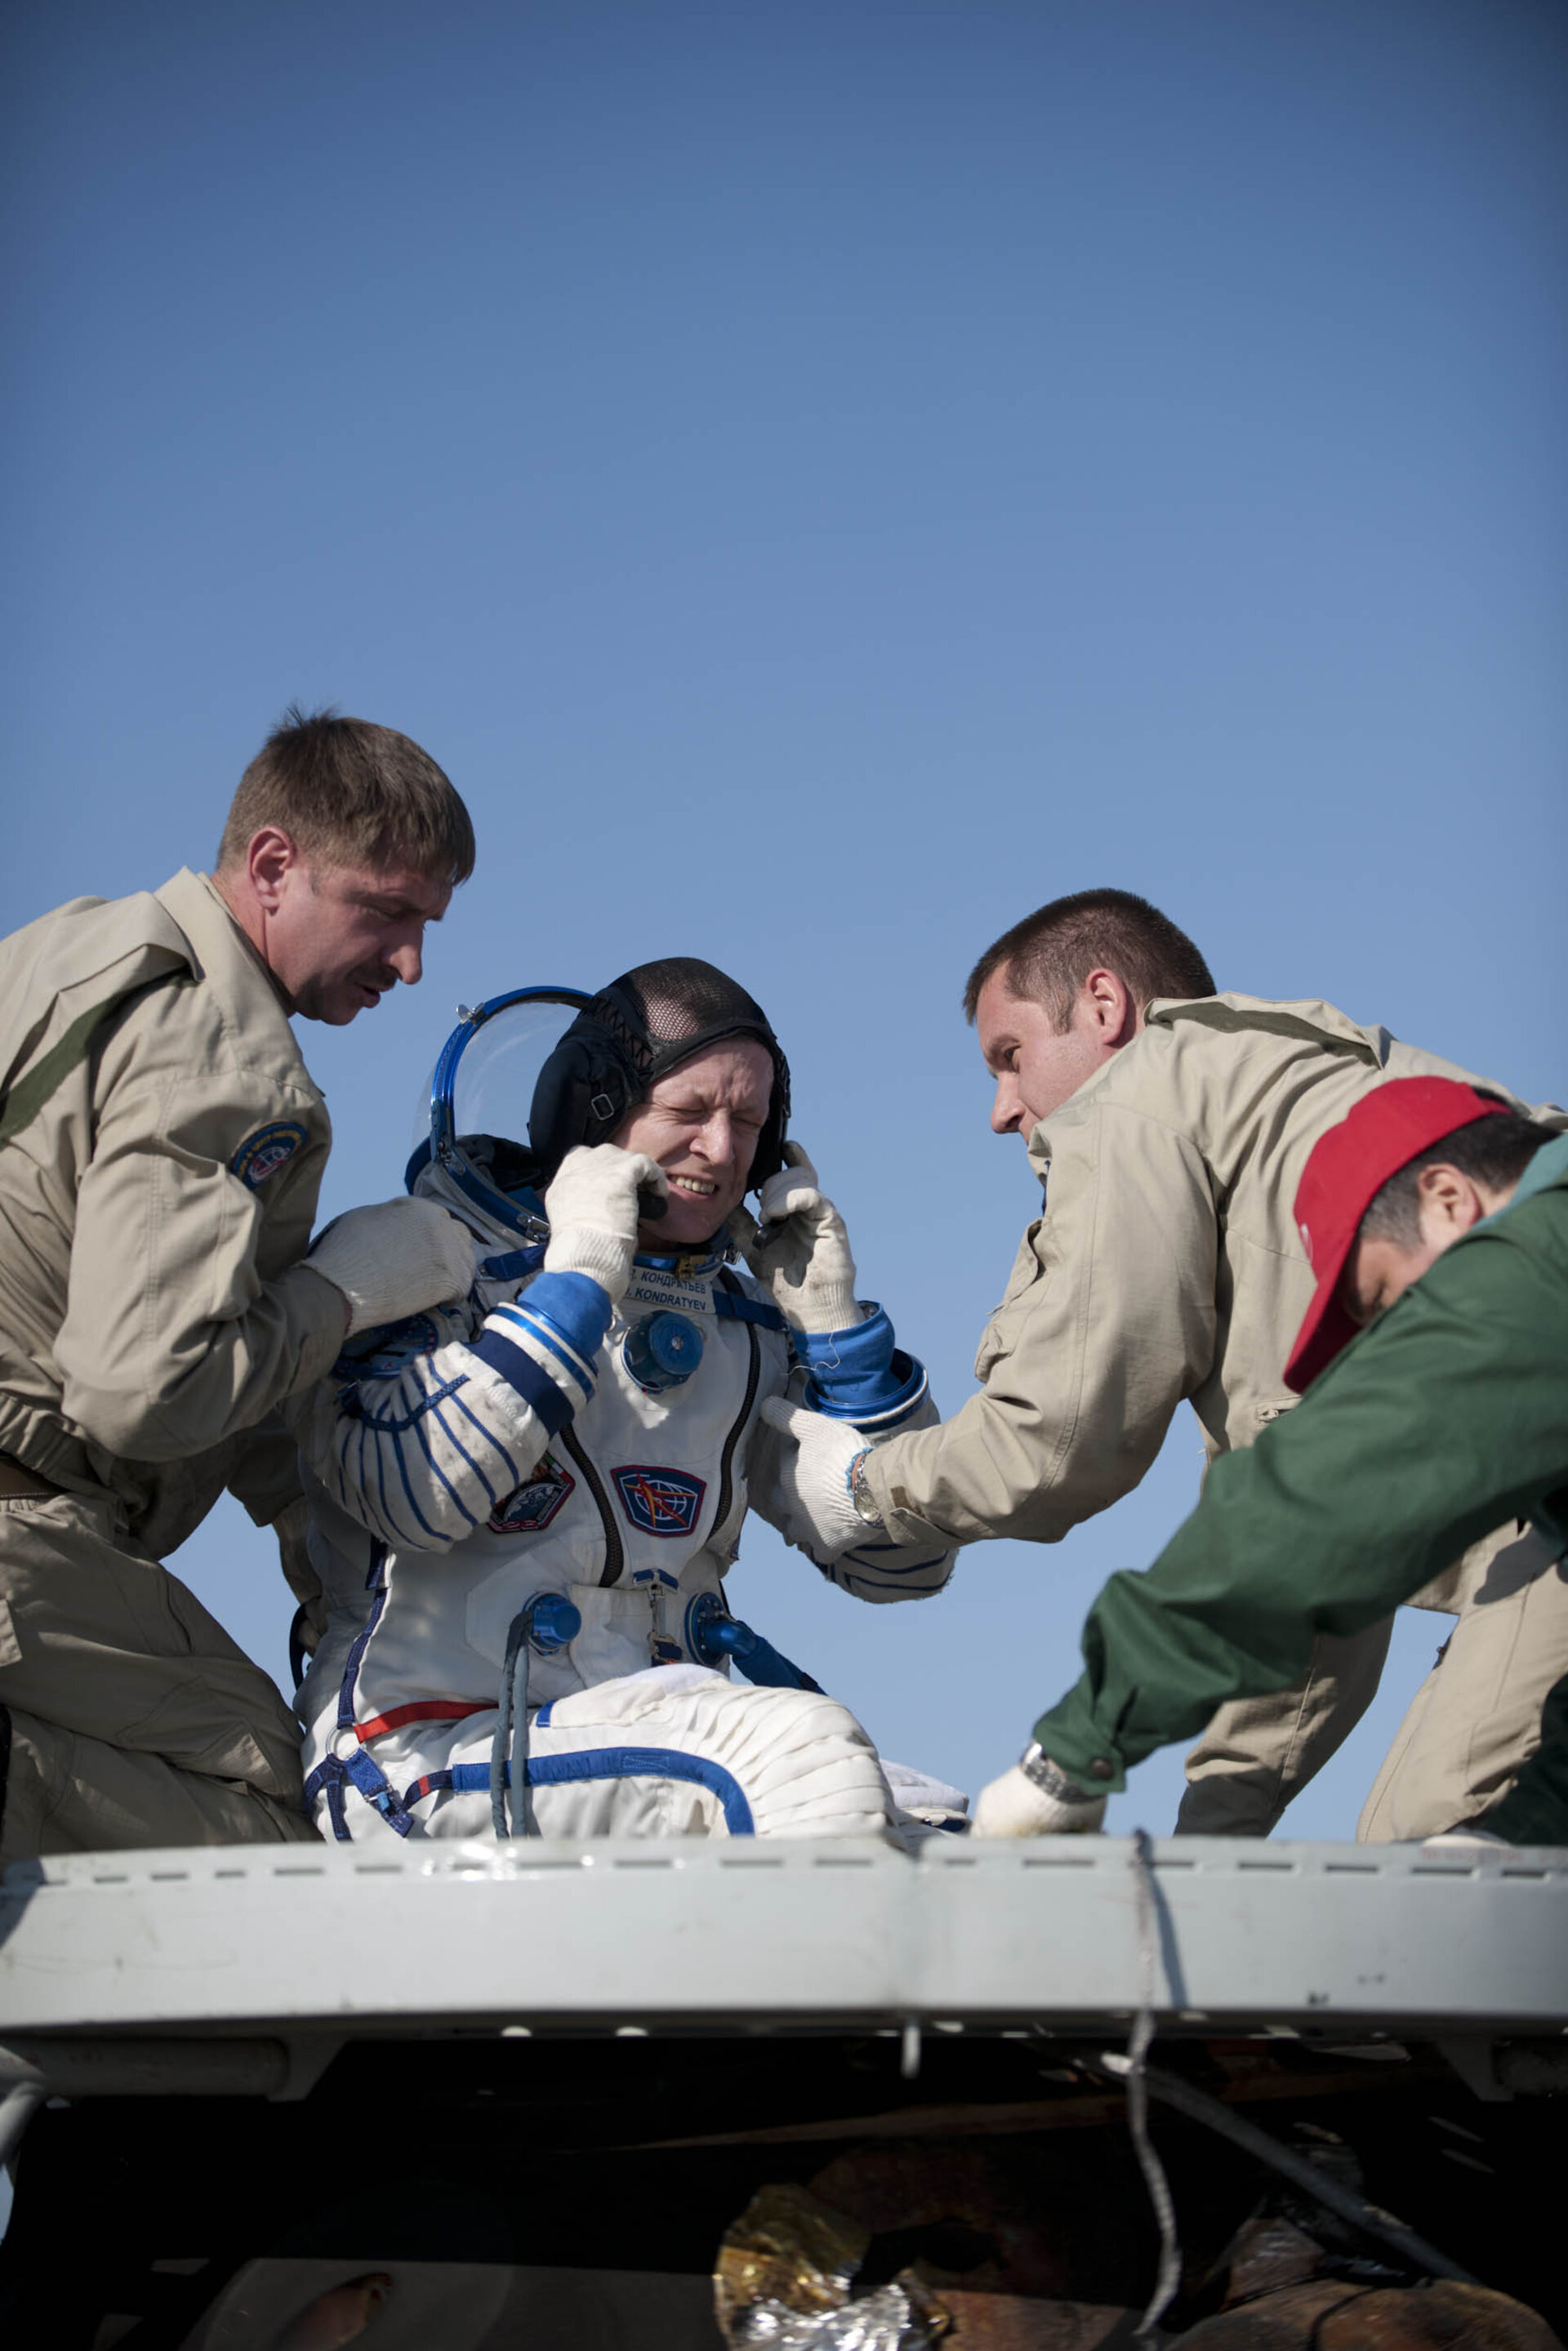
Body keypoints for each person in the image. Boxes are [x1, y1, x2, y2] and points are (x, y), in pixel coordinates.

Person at [762, 888, 1565, 1840]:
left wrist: (863, 1481)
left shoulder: (1143, 1090)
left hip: (1541, 1529)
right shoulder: (1292, 1111)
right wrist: (1211, 1840)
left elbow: (1055, 1437)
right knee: (1448, 1874)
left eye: (1010, 1056)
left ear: (1106, 1007)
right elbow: (1300, 1563)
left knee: (1440, 1875)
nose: (1000, 1110)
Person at [287, 959, 960, 1844]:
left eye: (749, 1122)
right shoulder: (430, 1260)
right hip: (420, 1746)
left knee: (954, 1842)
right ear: (596, 1110)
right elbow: (415, 1493)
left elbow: (902, 1569)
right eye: (690, 1113)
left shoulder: (741, 1324)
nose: (721, 1151)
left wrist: (837, 1335)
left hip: (640, 1730)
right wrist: (576, 1282)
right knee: (802, 1767)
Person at [0, 708, 480, 1861]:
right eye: (388, 910)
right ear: (273, 864)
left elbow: (195, 1328)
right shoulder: (225, 1047)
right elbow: (144, 1390)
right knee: (275, 1835)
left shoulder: (66, 952)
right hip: (22, 1526)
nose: (413, 963)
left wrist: (323, 1542)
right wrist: (347, 1296)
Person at [971, 1078, 1568, 1846]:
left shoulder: (1539, 1261)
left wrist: (1073, 1751)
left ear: (1450, 1199)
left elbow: (1320, 1506)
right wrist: (1526, 1825)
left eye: (1390, 1303)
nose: (1393, 1352)